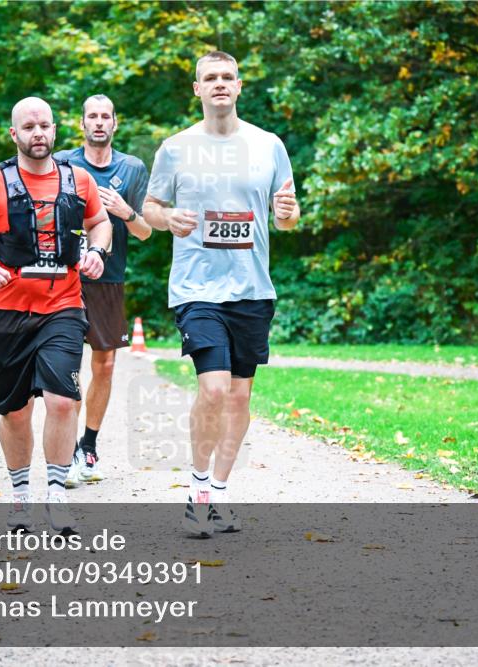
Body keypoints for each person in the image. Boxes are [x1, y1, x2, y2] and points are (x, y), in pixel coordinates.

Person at [142, 51, 300, 537]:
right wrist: (167, 218)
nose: (219, 84)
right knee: (212, 388)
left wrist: (288, 213)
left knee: (239, 395)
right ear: (197, 88)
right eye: (210, 77)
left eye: (227, 77)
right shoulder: (175, 148)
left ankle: (222, 493)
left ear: (239, 86)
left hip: (252, 287)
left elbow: (287, 217)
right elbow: (149, 207)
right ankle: (197, 490)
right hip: (197, 287)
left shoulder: (268, 145)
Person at [0, 97, 112, 535]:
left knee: (63, 399)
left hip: (63, 305)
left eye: (44, 125)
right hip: (7, 312)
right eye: (28, 127)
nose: (37, 133)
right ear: (14, 134)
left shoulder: (79, 180)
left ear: (55, 130)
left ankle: (56, 497)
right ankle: (21, 498)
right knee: (16, 411)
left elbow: (101, 224)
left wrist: (97, 250)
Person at [54, 95, 151, 487]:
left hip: (109, 280)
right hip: (66, 277)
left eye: (105, 116)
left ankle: (88, 446)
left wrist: (125, 211)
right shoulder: (63, 162)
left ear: (115, 123)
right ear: (82, 124)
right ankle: (65, 453)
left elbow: (146, 232)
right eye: (91, 117)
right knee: (66, 367)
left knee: (105, 364)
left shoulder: (132, 168)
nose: (98, 123)